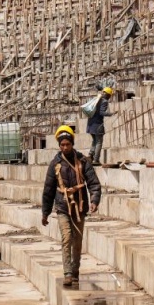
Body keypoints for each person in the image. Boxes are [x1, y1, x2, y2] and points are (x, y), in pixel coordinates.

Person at [41, 125, 101, 287]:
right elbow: (48, 189)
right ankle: (67, 272)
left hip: (80, 206)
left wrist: (94, 200)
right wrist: (45, 212)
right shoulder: (55, 164)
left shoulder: (83, 161)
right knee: (67, 238)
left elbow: (94, 183)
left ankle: (75, 270)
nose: (65, 147)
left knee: (78, 240)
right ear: (59, 146)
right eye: (62, 145)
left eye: (68, 144)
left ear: (72, 144)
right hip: (62, 206)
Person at [87, 87, 112, 165]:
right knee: (99, 142)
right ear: (108, 95)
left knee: (94, 141)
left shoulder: (96, 99)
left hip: (90, 124)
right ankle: (96, 160)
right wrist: (111, 113)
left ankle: (90, 156)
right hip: (97, 124)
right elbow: (102, 112)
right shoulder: (104, 101)